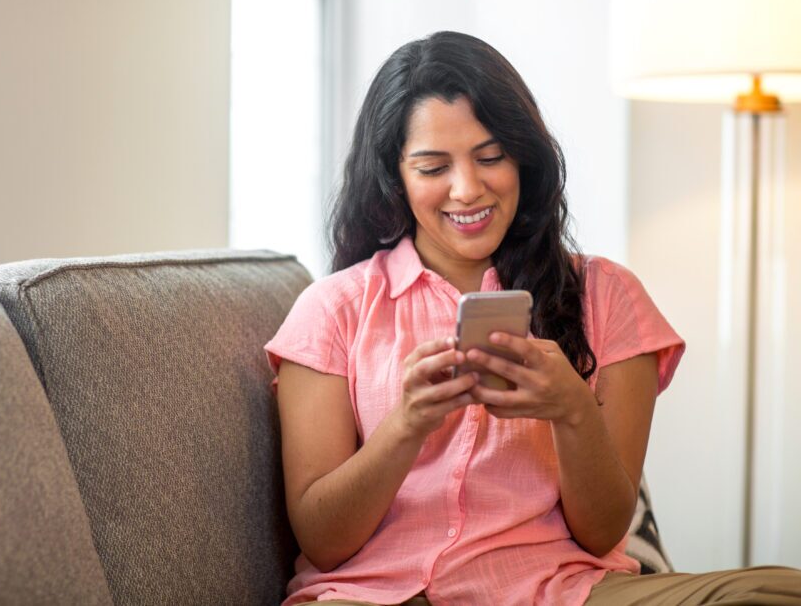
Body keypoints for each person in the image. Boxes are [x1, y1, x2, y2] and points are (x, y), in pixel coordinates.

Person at [264, 32, 801, 605]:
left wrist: (572, 408)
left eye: (491, 157)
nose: (467, 189)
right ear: (394, 177)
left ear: (524, 157)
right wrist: (408, 423)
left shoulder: (607, 296)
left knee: (777, 591)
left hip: (561, 589)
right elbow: (322, 541)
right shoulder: (333, 312)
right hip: (383, 594)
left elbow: (602, 532)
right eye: (432, 167)